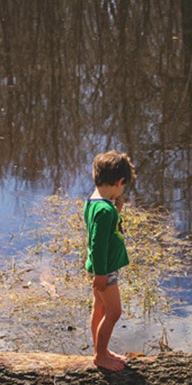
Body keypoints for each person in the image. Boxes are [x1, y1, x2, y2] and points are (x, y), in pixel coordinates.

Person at [84, 150, 136, 371]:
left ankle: (100, 349)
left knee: (99, 310)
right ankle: (100, 357)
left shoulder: (94, 202)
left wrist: (118, 210)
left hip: (100, 268)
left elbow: (102, 232)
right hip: (105, 269)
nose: (122, 191)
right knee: (114, 313)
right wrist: (101, 275)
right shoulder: (105, 211)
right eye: (123, 186)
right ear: (119, 181)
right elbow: (98, 244)